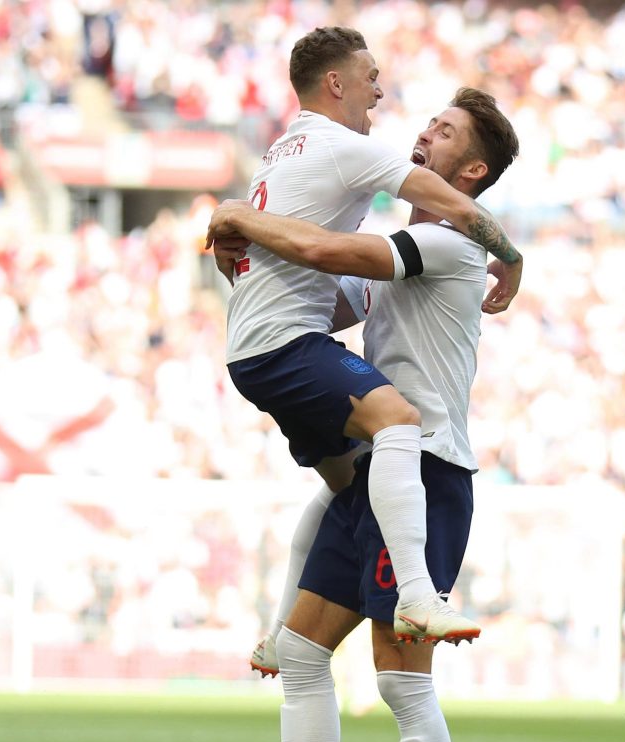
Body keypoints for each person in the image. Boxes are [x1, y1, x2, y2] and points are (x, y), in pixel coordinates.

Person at [206, 87, 519, 742]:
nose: (421, 134)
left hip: (428, 475)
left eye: (443, 134)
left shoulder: (446, 244)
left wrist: (241, 212)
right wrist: (238, 257)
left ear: (470, 172)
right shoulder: (413, 249)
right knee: (303, 654)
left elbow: (318, 245)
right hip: (383, 478)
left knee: (402, 683)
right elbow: (322, 289)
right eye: (425, 124)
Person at [206, 26, 522, 649]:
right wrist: (512, 258)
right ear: (335, 83)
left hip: (417, 456)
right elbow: (329, 251)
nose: (381, 94)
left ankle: (279, 634)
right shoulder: (349, 155)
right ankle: (418, 598)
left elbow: (341, 280)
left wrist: (241, 225)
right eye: (370, 77)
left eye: (444, 130)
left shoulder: (290, 153)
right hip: (402, 442)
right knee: (395, 421)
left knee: (345, 491)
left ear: (475, 167)